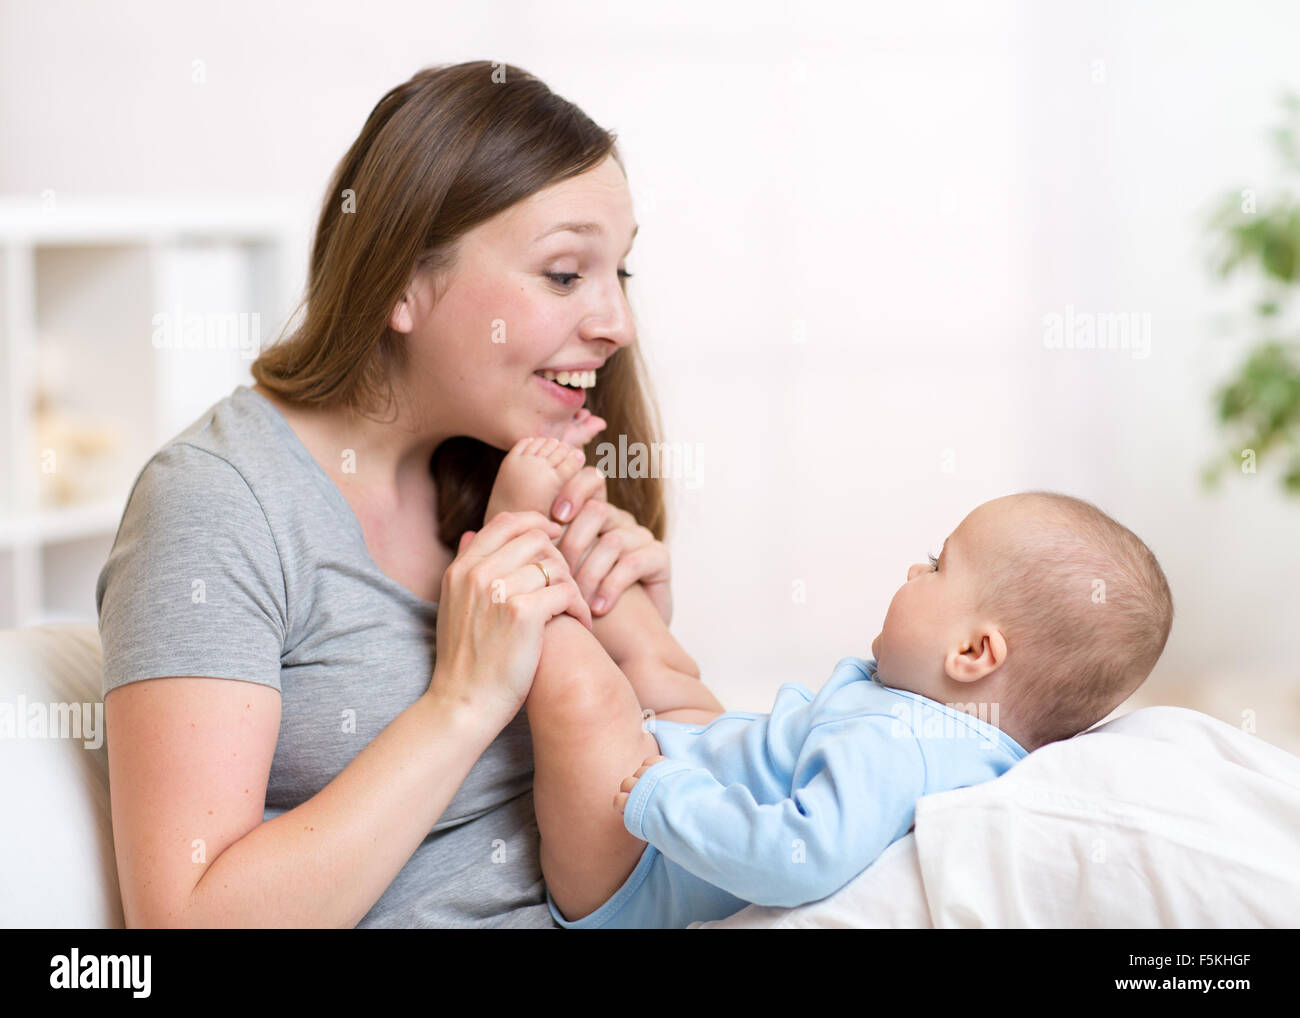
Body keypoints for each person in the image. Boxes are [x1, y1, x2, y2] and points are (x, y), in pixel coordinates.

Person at [96, 61, 716, 927]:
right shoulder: (217, 506)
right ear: (402, 281)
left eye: (623, 275)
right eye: (567, 275)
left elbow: (636, 836)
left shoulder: (502, 472)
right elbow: (185, 922)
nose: (618, 323)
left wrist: (637, 649)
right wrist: (461, 702)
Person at [482, 441, 1174, 929]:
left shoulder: (901, 745)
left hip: (639, 867)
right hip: (697, 767)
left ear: (971, 652)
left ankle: (512, 536)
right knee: (664, 668)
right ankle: (574, 537)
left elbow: (800, 858)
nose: (913, 571)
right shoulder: (942, 729)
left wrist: (667, 796)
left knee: (589, 701)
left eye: (937, 566)